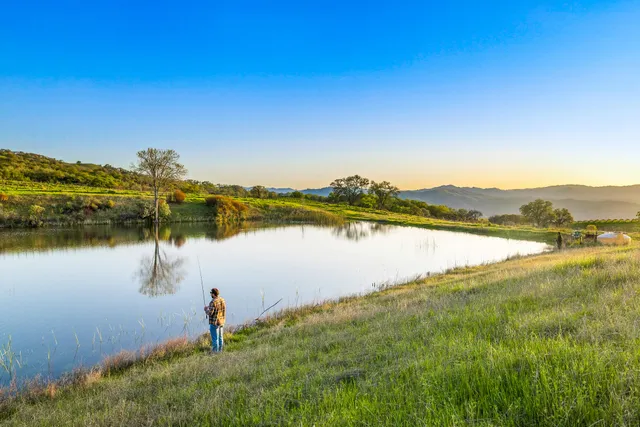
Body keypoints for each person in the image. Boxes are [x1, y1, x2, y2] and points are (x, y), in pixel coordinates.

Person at [204, 288, 226, 353]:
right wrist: (209, 307)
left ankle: (215, 352)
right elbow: (218, 307)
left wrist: (206, 310)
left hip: (215, 323)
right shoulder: (222, 300)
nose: (210, 294)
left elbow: (210, 313)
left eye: (211, 293)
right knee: (220, 337)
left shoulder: (212, 302)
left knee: (215, 338)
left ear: (213, 294)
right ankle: (220, 350)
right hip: (221, 321)